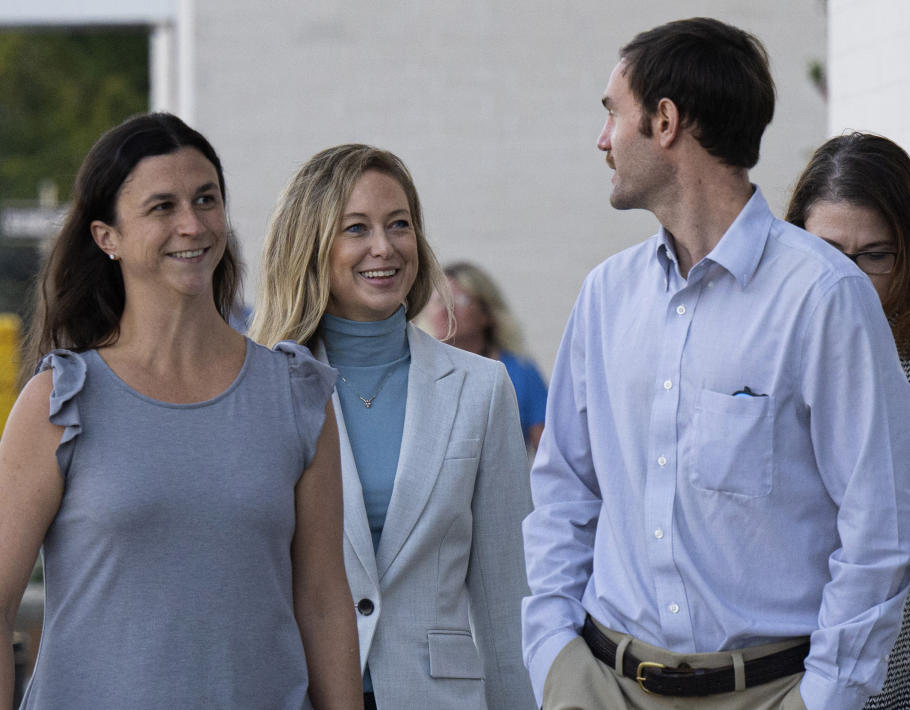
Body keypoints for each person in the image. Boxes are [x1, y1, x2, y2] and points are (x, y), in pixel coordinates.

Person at [521, 18, 910, 710]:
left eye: (613, 114)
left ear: (666, 122)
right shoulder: (604, 298)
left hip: (770, 695)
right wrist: (555, 659)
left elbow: (880, 529)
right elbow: (564, 492)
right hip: (599, 684)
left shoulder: (824, 297)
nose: (603, 139)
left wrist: (823, 699)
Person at [0, 113, 362, 710]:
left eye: (206, 199)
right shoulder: (60, 401)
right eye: (162, 207)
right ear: (105, 237)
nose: (192, 225)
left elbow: (323, 601)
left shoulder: (296, 395)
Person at [249, 144, 536, 710]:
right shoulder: (261, 389)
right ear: (313, 245)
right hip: (298, 693)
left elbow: (508, 597)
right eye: (356, 228)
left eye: (399, 225)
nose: (384, 247)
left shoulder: (482, 388)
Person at [786, 132, 910, 709]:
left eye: (875, 255)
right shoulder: (762, 375)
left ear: (907, 256)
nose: (851, 279)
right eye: (829, 253)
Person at [423, 261, 548, 452]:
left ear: (487, 314)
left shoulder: (521, 371)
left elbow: (548, 454)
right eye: (437, 300)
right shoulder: (417, 369)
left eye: (458, 300)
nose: (445, 310)